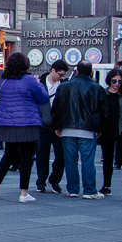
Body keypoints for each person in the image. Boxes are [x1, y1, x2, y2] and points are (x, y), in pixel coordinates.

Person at [0, 53, 49, 203]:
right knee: (26, 157)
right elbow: (43, 98)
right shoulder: (29, 80)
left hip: (7, 123)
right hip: (27, 123)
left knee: (8, 154)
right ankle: (23, 193)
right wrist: (39, 83)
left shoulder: (3, 80)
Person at [51, 60, 109, 199]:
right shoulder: (97, 88)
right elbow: (104, 111)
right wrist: (100, 128)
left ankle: (73, 189)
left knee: (70, 160)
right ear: (91, 73)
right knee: (87, 160)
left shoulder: (64, 87)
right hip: (88, 129)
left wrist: (57, 126)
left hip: (67, 128)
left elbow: (56, 108)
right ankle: (89, 190)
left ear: (76, 72)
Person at [36, 60, 69, 193]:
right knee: (42, 155)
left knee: (61, 155)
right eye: (60, 74)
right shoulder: (39, 84)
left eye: (63, 75)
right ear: (53, 70)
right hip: (43, 125)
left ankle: (54, 180)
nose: (61, 77)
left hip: (60, 125)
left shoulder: (64, 85)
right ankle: (41, 181)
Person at [99, 68, 122, 196]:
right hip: (107, 130)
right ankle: (106, 186)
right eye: (114, 81)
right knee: (107, 159)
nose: (117, 84)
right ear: (109, 80)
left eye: (120, 81)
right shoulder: (103, 93)